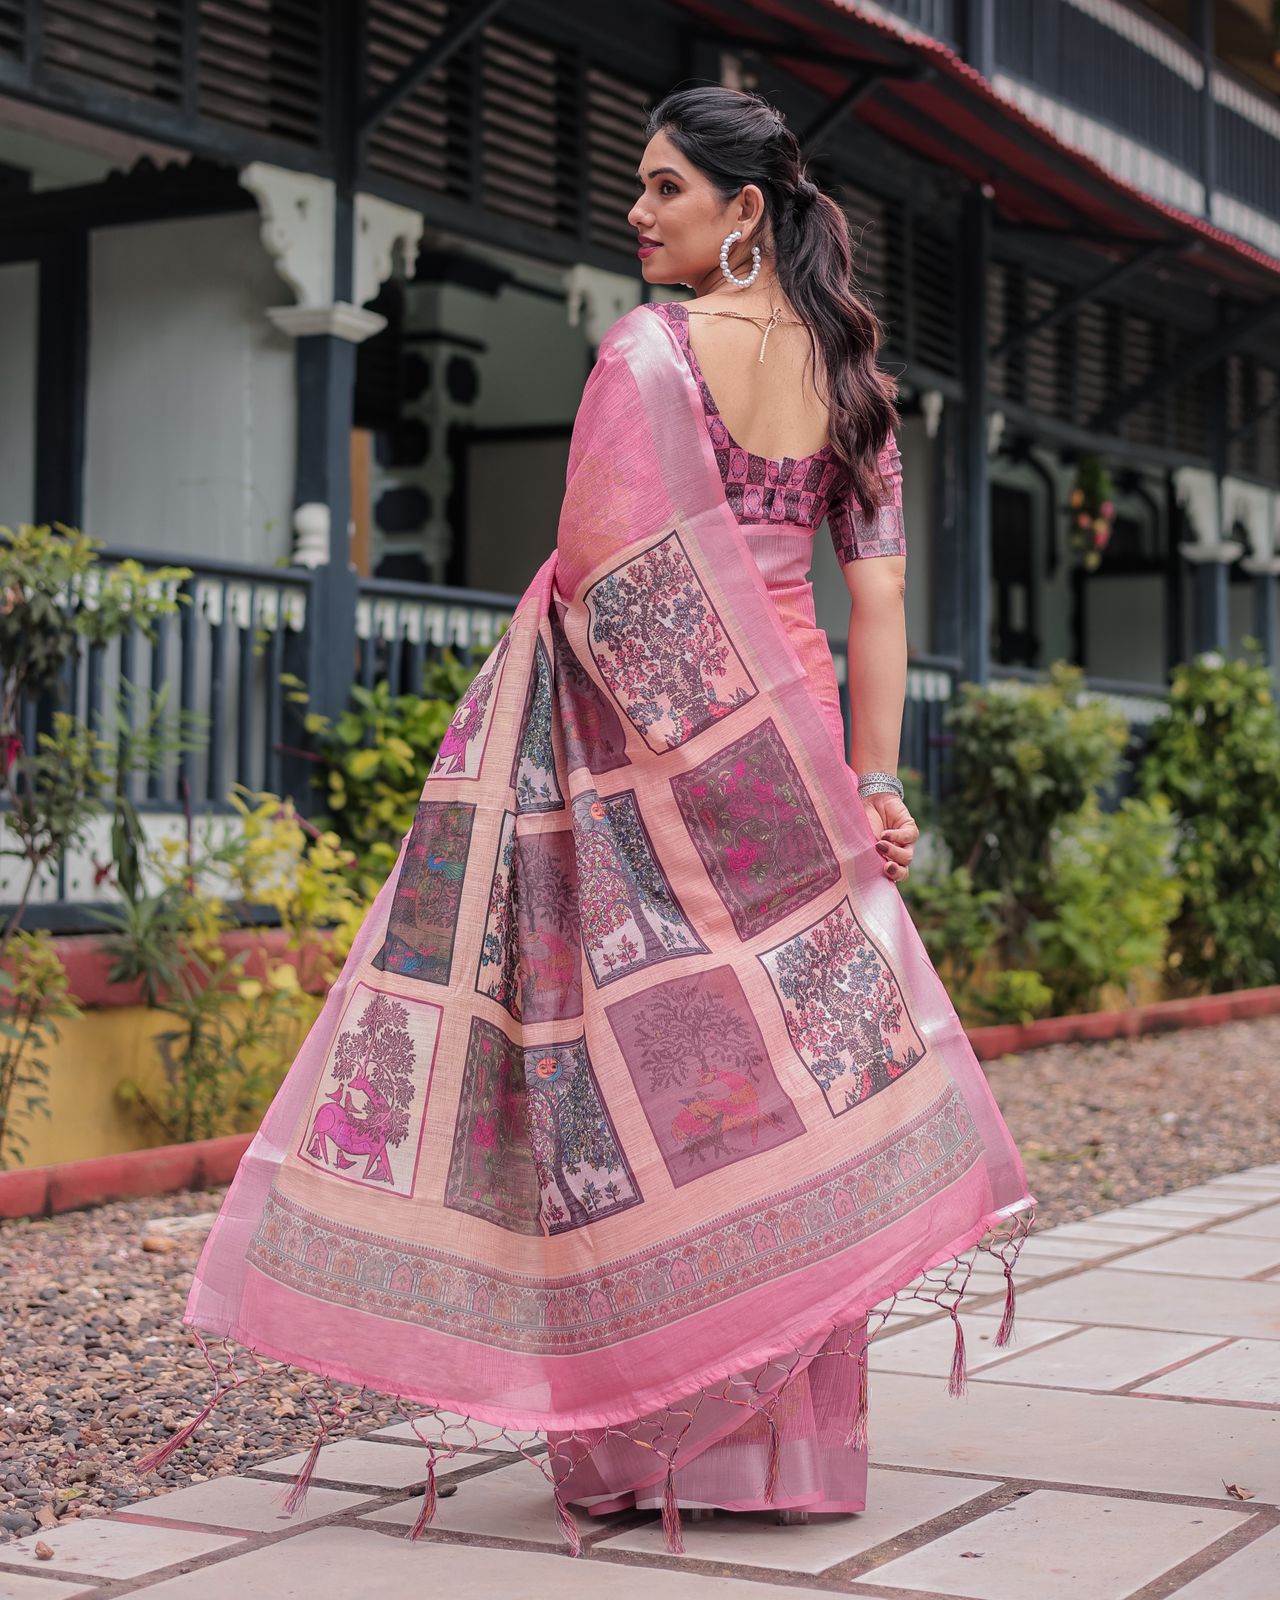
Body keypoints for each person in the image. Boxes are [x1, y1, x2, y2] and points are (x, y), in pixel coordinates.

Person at [140, 85, 1036, 1556]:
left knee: (640, 1072)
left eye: (666, 187)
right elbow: (876, 596)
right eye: (638, 184)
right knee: (783, 1084)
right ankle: (786, 1460)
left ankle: (653, 1436)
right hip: (794, 745)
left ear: (743, 212)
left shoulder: (651, 352)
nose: (638, 210)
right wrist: (873, 783)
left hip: (656, 752)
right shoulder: (852, 369)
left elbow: (598, 572)